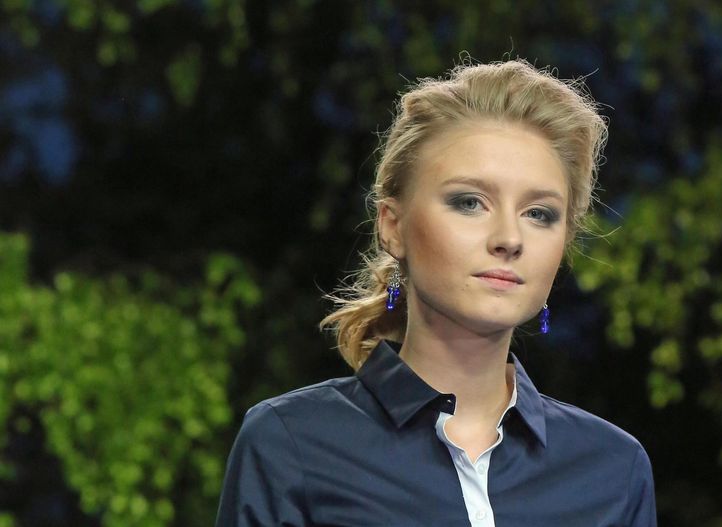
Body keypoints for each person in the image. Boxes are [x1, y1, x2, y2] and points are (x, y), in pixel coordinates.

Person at [215, 59, 656, 526]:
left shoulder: (613, 469)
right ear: (393, 226)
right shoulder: (292, 444)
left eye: (539, 214)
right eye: (470, 202)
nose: (509, 238)